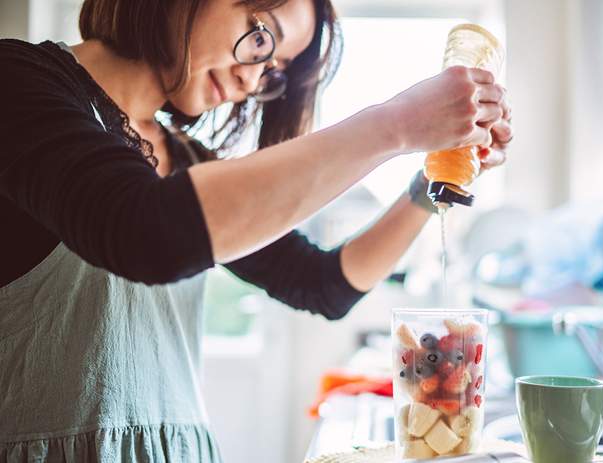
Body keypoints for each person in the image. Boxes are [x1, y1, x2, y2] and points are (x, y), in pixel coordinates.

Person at [0, 0, 513, 460]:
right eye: (261, 34)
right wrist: (394, 125)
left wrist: (431, 183)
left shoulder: (184, 161)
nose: (252, 80)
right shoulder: (17, 80)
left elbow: (323, 284)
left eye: (276, 70)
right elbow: (142, 229)